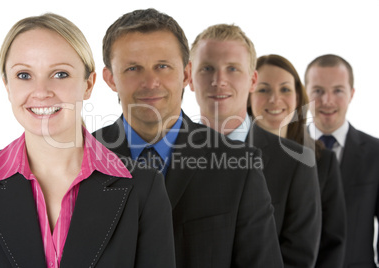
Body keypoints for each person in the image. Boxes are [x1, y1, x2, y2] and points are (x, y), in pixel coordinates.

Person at [0, 13, 176, 268]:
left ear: (88, 84)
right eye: (24, 75)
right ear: (6, 85)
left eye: (60, 74)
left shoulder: (144, 189)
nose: (41, 91)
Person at [93, 8, 283, 268]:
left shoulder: (240, 167)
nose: (151, 82)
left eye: (163, 66)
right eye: (133, 68)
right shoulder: (78, 161)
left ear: (185, 74)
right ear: (110, 78)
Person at [189, 24, 322, 267]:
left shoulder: (295, 163)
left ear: (252, 80)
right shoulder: (165, 155)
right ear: (189, 78)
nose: (219, 81)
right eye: (207, 68)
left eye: (232, 69)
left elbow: (298, 260)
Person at [249, 54, 347, 267]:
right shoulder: (233, 158)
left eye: (285, 89)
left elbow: (332, 243)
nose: (274, 99)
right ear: (249, 94)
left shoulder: (321, 161)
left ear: (298, 96)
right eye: (263, 89)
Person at [305, 54, 379, 268]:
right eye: (318, 91)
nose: (327, 100)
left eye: (337, 90)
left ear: (351, 94)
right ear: (305, 93)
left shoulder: (376, 154)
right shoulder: (286, 151)